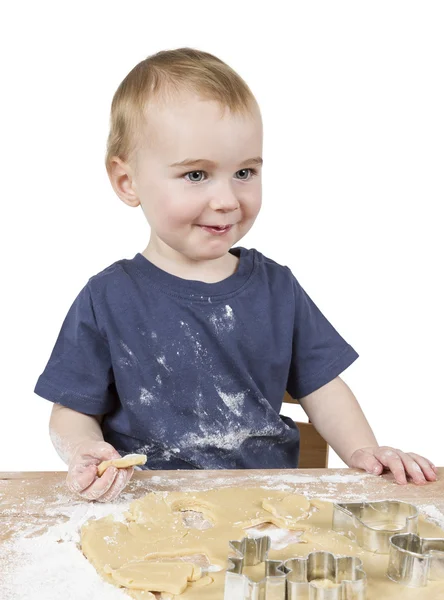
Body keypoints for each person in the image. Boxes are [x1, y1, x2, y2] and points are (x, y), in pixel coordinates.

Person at [34, 47, 437, 503]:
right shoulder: (107, 297)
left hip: (266, 506)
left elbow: (323, 388)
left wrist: (364, 450)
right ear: (128, 182)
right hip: (145, 507)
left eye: (244, 171)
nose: (227, 199)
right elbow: (70, 411)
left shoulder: (277, 288)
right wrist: (85, 449)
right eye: (196, 175)